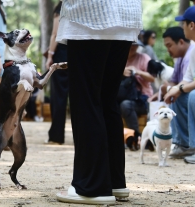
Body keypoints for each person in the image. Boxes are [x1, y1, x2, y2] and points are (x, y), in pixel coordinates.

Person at [55, 0, 142, 205]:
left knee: (86, 100)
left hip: (89, 15)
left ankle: (91, 186)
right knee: (106, 99)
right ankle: (113, 181)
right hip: (126, 14)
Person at [164, 5, 195, 164]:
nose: (181, 27)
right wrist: (175, 89)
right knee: (178, 95)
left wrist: (180, 88)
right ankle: (185, 145)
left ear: (191, 25)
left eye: (183, 23)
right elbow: (188, 78)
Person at [148, 27, 195, 102]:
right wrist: (160, 93)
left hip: (193, 95)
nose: (168, 50)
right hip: (186, 92)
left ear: (181, 42)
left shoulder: (191, 56)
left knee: (176, 95)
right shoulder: (180, 58)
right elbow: (174, 81)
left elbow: (187, 86)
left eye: (169, 45)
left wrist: (168, 89)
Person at [44, 2, 68, 145]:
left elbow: (55, 34)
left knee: (59, 97)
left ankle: (57, 136)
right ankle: (83, 136)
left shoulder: (61, 8)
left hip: (61, 55)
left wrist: (50, 55)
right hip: (79, 53)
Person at [120, 41, 154, 136]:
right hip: (121, 96)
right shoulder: (118, 58)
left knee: (126, 105)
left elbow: (153, 78)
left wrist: (137, 72)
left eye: (135, 45)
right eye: (130, 45)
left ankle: (135, 137)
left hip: (142, 99)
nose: (132, 47)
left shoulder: (144, 58)